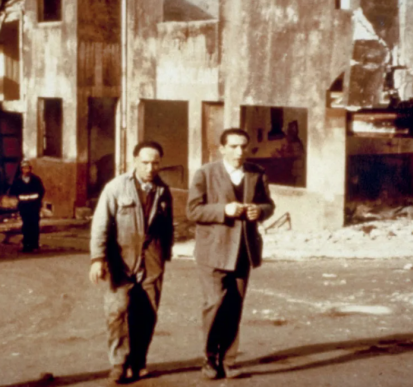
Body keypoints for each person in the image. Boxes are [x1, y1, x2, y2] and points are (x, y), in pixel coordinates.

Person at [187, 128, 274, 380]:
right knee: (214, 303)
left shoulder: (256, 173)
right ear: (222, 148)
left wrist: (260, 210)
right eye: (233, 146)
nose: (239, 152)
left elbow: (268, 203)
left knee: (235, 306)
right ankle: (209, 358)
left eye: (243, 146)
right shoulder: (205, 173)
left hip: (243, 250)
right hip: (213, 249)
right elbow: (193, 210)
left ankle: (228, 360)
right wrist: (224, 209)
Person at [89, 141, 174, 383]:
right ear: (134, 161)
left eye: (155, 163)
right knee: (116, 312)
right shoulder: (116, 188)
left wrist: (163, 254)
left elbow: (166, 227)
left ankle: (138, 361)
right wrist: (98, 259)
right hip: (121, 259)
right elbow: (100, 225)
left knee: (147, 313)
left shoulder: (162, 191)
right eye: (145, 162)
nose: (150, 168)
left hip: (152, 260)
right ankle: (118, 363)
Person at [9, 159, 45, 253]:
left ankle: (35, 245)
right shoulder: (17, 181)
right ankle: (27, 245)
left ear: (30, 169)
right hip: (24, 207)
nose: (26, 170)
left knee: (35, 225)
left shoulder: (36, 180)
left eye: (28, 168)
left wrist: (37, 201)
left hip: (34, 206)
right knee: (26, 225)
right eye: (24, 168)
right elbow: (13, 192)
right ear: (22, 169)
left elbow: (41, 191)